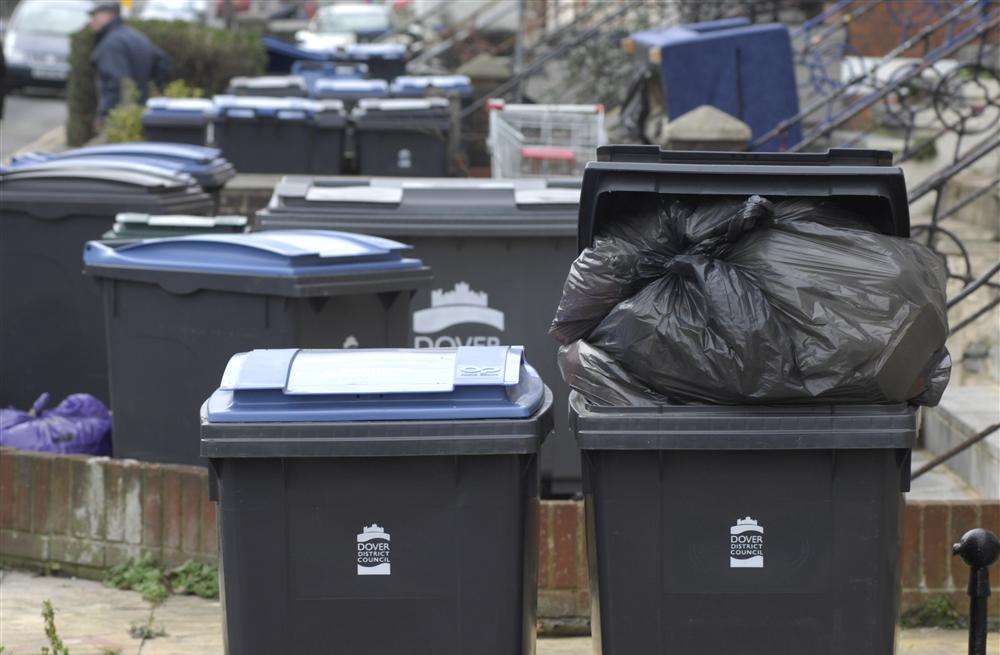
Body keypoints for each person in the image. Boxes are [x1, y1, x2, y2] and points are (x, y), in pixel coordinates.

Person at [88, 1, 169, 126]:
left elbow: (115, 83)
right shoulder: (133, 35)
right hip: (139, 112)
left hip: (122, 119)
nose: (91, 21)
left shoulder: (111, 44)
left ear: (109, 15)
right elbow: (162, 61)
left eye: (95, 16)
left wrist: (105, 116)